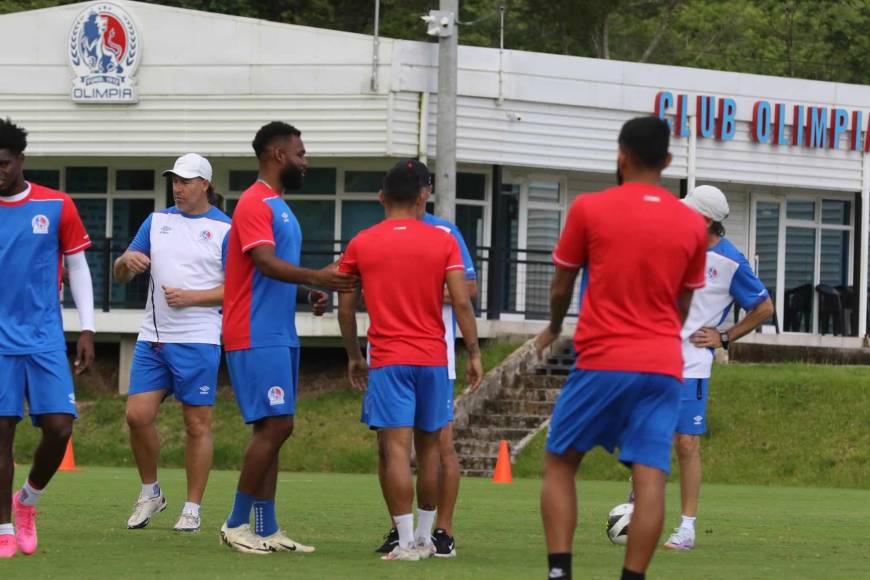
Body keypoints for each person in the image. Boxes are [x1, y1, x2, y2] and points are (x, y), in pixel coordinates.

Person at [534, 116, 707, 580]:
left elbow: (562, 282)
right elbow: (686, 299)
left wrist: (553, 328)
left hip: (603, 358)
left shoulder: (591, 208)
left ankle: (560, 572)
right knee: (650, 474)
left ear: (621, 155)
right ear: (668, 161)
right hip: (663, 365)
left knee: (560, 461)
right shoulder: (691, 225)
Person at [219, 121, 357, 554]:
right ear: (277, 155)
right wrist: (319, 276)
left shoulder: (277, 205)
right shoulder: (254, 203)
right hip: (255, 332)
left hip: (279, 331)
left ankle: (266, 527)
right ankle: (236, 523)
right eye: (300, 153)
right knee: (278, 425)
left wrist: (308, 290)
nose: (305, 160)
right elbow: (263, 263)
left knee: (273, 428)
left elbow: (271, 271)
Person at [337, 159, 483, 562]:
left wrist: (353, 355)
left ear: (382, 197)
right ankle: (425, 537)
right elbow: (463, 303)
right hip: (434, 358)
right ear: (423, 196)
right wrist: (472, 353)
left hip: (388, 359)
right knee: (432, 451)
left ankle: (404, 543)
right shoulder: (443, 240)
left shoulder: (362, 242)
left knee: (396, 451)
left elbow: (346, 309)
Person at [114, 153, 231, 533]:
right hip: (153, 339)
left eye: (185, 181)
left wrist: (193, 298)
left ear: (205, 185)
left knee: (197, 425)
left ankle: (192, 507)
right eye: (174, 181)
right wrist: (125, 261)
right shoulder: (156, 220)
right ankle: (151, 493)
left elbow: (238, 290)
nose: (177, 188)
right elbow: (120, 274)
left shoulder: (225, 229)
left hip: (198, 341)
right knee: (136, 416)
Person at [0, 118, 95, 558]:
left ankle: (27, 503)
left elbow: (77, 266)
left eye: (2, 163)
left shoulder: (56, 206)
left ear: (19, 160)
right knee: (1, 434)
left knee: (59, 428)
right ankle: (2, 526)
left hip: (43, 339)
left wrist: (87, 327)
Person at [663, 185, 774, 550]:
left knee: (686, 443)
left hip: (693, 361)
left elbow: (763, 308)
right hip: (653, 355)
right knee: (643, 432)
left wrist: (725, 337)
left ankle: (687, 528)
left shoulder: (731, 262)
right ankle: (639, 506)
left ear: (705, 220)